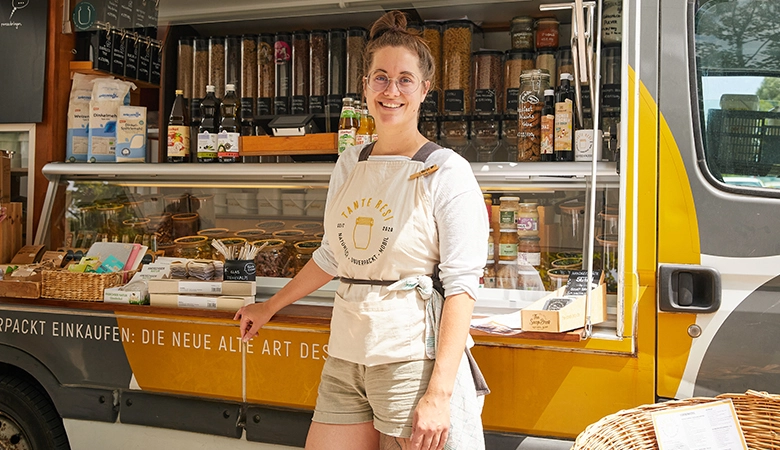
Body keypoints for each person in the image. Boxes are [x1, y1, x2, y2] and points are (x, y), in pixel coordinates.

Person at [234, 10, 489, 450]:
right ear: (365, 85)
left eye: (405, 79)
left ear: (425, 89)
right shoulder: (350, 163)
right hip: (346, 352)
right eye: (381, 77)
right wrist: (269, 306)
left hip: (410, 356)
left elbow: (462, 287)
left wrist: (439, 393)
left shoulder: (446, 170)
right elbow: (333, 255)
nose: (391, 91)